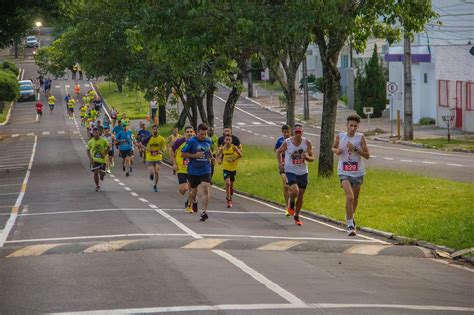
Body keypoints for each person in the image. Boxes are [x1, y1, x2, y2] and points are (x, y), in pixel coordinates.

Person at [332, 114, 370, 236]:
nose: (352, 128)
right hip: (344, 172)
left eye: (355, 126)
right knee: (350, 197)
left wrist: (355, 149)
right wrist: (336, 151)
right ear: (346, 125)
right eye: (350, 126)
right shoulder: (340, 136)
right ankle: (350, 225)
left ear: (358, 126)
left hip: (358, 172)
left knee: (355, 199)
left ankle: (350, 215)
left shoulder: (360, 138)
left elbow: (367, 155)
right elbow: (333, 147)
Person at [276, 123, 315, 226]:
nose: (298, 134)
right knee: (295, 191)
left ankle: (297, 216)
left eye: (300, 132)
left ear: (302, 133)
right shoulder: (287, 142)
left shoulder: (307, 143)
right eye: (296, 132)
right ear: (293, 132)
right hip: (290, 170)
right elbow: (278, 152)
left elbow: (313, 158)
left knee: (301, 195)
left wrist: (306, 157)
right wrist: (280, 164)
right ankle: (291, 203)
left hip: (303, 172)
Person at [181, 123, 215, 221]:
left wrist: (212, 158)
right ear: (197, 133)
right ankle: (195, 201)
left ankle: (204, 212)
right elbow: (183, 154)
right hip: (193, 170)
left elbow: (208, 151)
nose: (203, 136)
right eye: (201, 134)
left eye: (205, 134)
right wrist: (195, 156)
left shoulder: (208, 140)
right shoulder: (191, 141)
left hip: (205, 168)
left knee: (205, 188)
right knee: (193, 191)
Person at [172, 126, 194, 213]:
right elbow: (172, 150)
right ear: (184, 133)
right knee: (184, 189)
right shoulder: (179, 141)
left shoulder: (195, 142)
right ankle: (186, 192)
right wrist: (174, 163)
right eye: (188, 132)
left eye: (191, 132)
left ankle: (189, 204)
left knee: (192, 188)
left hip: (192, 169)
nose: (189, 133)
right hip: (181, 169)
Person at [216, 134, 242, 208]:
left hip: (233, 168)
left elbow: (240, 155)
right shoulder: (222, 148)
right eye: (226, 140)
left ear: (231, 140)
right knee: (227, 183)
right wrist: (219, 160)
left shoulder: (234, 147)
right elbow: (217, 155)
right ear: (224, 140)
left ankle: (230, 190)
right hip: (225, 168)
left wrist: (233, 159)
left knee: (231, 182)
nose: (228, 141)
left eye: (229, 140)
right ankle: (229, 199)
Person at [141, 125, 166, 192]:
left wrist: (162, 150)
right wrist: (147, 148)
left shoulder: (161, 138)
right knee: (152, 172)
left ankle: (155, 185)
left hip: (158, 157)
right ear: (152, 130)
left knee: (157, 172)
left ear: (158, 130)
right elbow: (140, 144)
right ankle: (151, 175)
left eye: (156, 129)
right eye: (154, 129)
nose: (155, 130)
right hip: (150, 157)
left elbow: (164, 147)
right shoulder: (148, 138)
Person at [274, 125, 291, 216]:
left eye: (288, 132)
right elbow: (275, 150)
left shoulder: (292, 141)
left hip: (292, 166)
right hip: (283, 166)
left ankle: (291, 204)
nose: (286, 134)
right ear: (282, 132)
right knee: (286, 186)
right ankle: (287, 206)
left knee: (293, 188)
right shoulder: (280, 140)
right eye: (285, 132)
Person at [87, 127, 109, 192]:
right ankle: (97, 186)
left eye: (97, 132)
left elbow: (108, 147)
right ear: (92, 133)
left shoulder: (103, 140)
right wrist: (90, 159)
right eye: (94, 133)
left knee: (102, 173)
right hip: (95, 160)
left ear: (99, 133)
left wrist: (104, 154)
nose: (96, 134)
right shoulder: (90, 141)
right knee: (95, 172)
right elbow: (88, 150)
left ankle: (102, 175)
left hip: (102, 160)